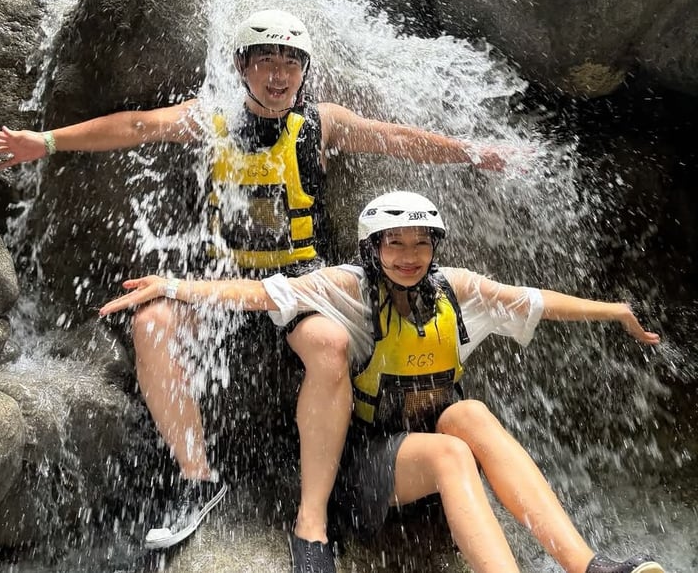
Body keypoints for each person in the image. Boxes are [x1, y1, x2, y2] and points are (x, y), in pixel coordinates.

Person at [0, 9, 507, 568]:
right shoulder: (210, 118)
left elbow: (395, 139)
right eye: (265, 62)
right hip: (222, 286)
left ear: (304, 71)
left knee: (329, 345)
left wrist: (473, 152)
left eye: (289, 63)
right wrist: (45, 141)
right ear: (241, 66)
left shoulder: (323, 123)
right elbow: (135, 125)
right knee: (151, 322)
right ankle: (197, 478)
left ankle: (312, 520)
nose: (278, 76)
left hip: (302, 286)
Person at [98, 191, 665, 573]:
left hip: (414, 460)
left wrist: (613, 311)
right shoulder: (347, 288)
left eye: (420, 243)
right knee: (450, 452)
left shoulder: (456, 289)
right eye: (394, 243)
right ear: (372, 249)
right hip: (361, 469)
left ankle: (587, 566)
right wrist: (171, 286)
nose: (409, 256)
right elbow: (258, 294)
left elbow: (537, 302)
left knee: (470, 416)